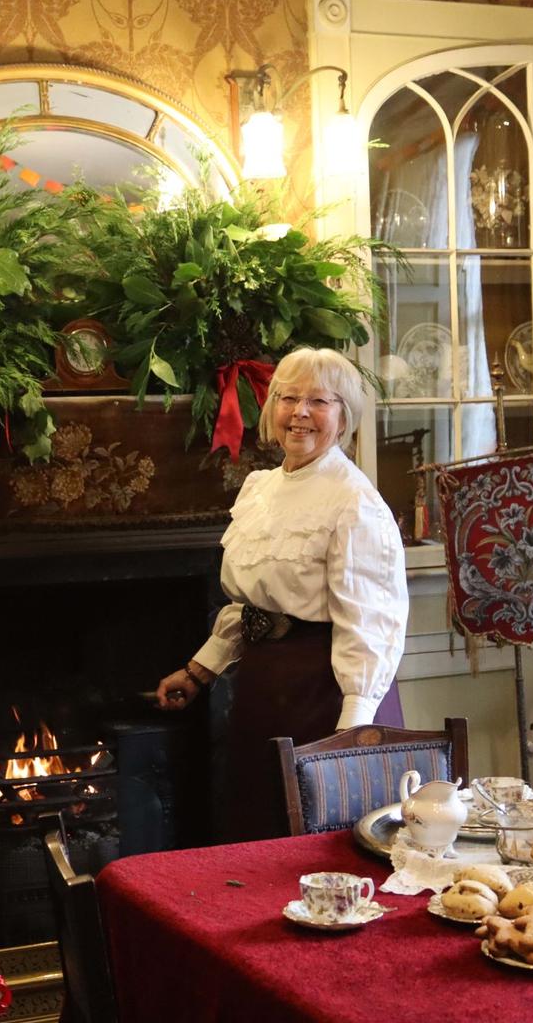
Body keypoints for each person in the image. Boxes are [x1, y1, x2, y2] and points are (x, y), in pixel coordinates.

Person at [156, 347, 409, 841]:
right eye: (288, 398)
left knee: (320, 843)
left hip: (329, 691)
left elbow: (373, 621)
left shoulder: (354, 501)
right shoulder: (260, 489)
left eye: (318, 400)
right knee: (260, 832)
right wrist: (201, 668)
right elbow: (251, 604)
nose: (299, 413)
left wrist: (353, 729)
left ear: (344, 416)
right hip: (264, 685)